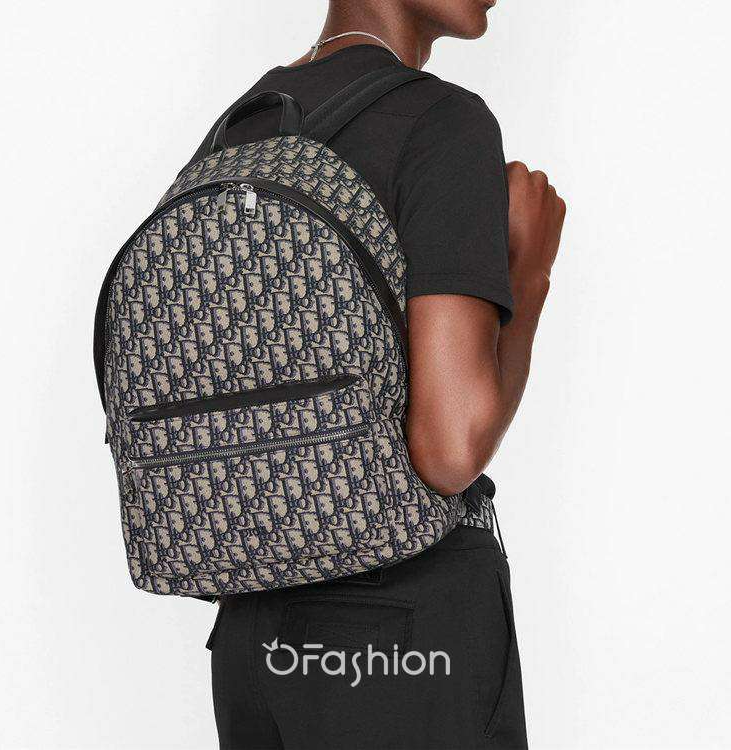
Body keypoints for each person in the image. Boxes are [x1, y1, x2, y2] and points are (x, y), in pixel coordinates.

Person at [203, 1, 566, 748]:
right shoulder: (442, 123)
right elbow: (450, 448)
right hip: (401, 639)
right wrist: (529, 273)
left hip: (252, 640)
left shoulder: (238, 129)